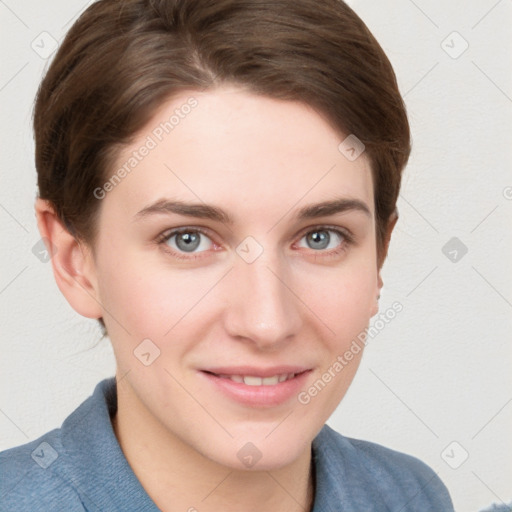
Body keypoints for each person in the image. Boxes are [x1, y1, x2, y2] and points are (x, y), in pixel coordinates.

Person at [0, 0, 454, 510]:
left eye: (321, 236)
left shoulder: (412, 497)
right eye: (187, 239)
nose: (266, 323)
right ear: (73, 261)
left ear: (379, 256)